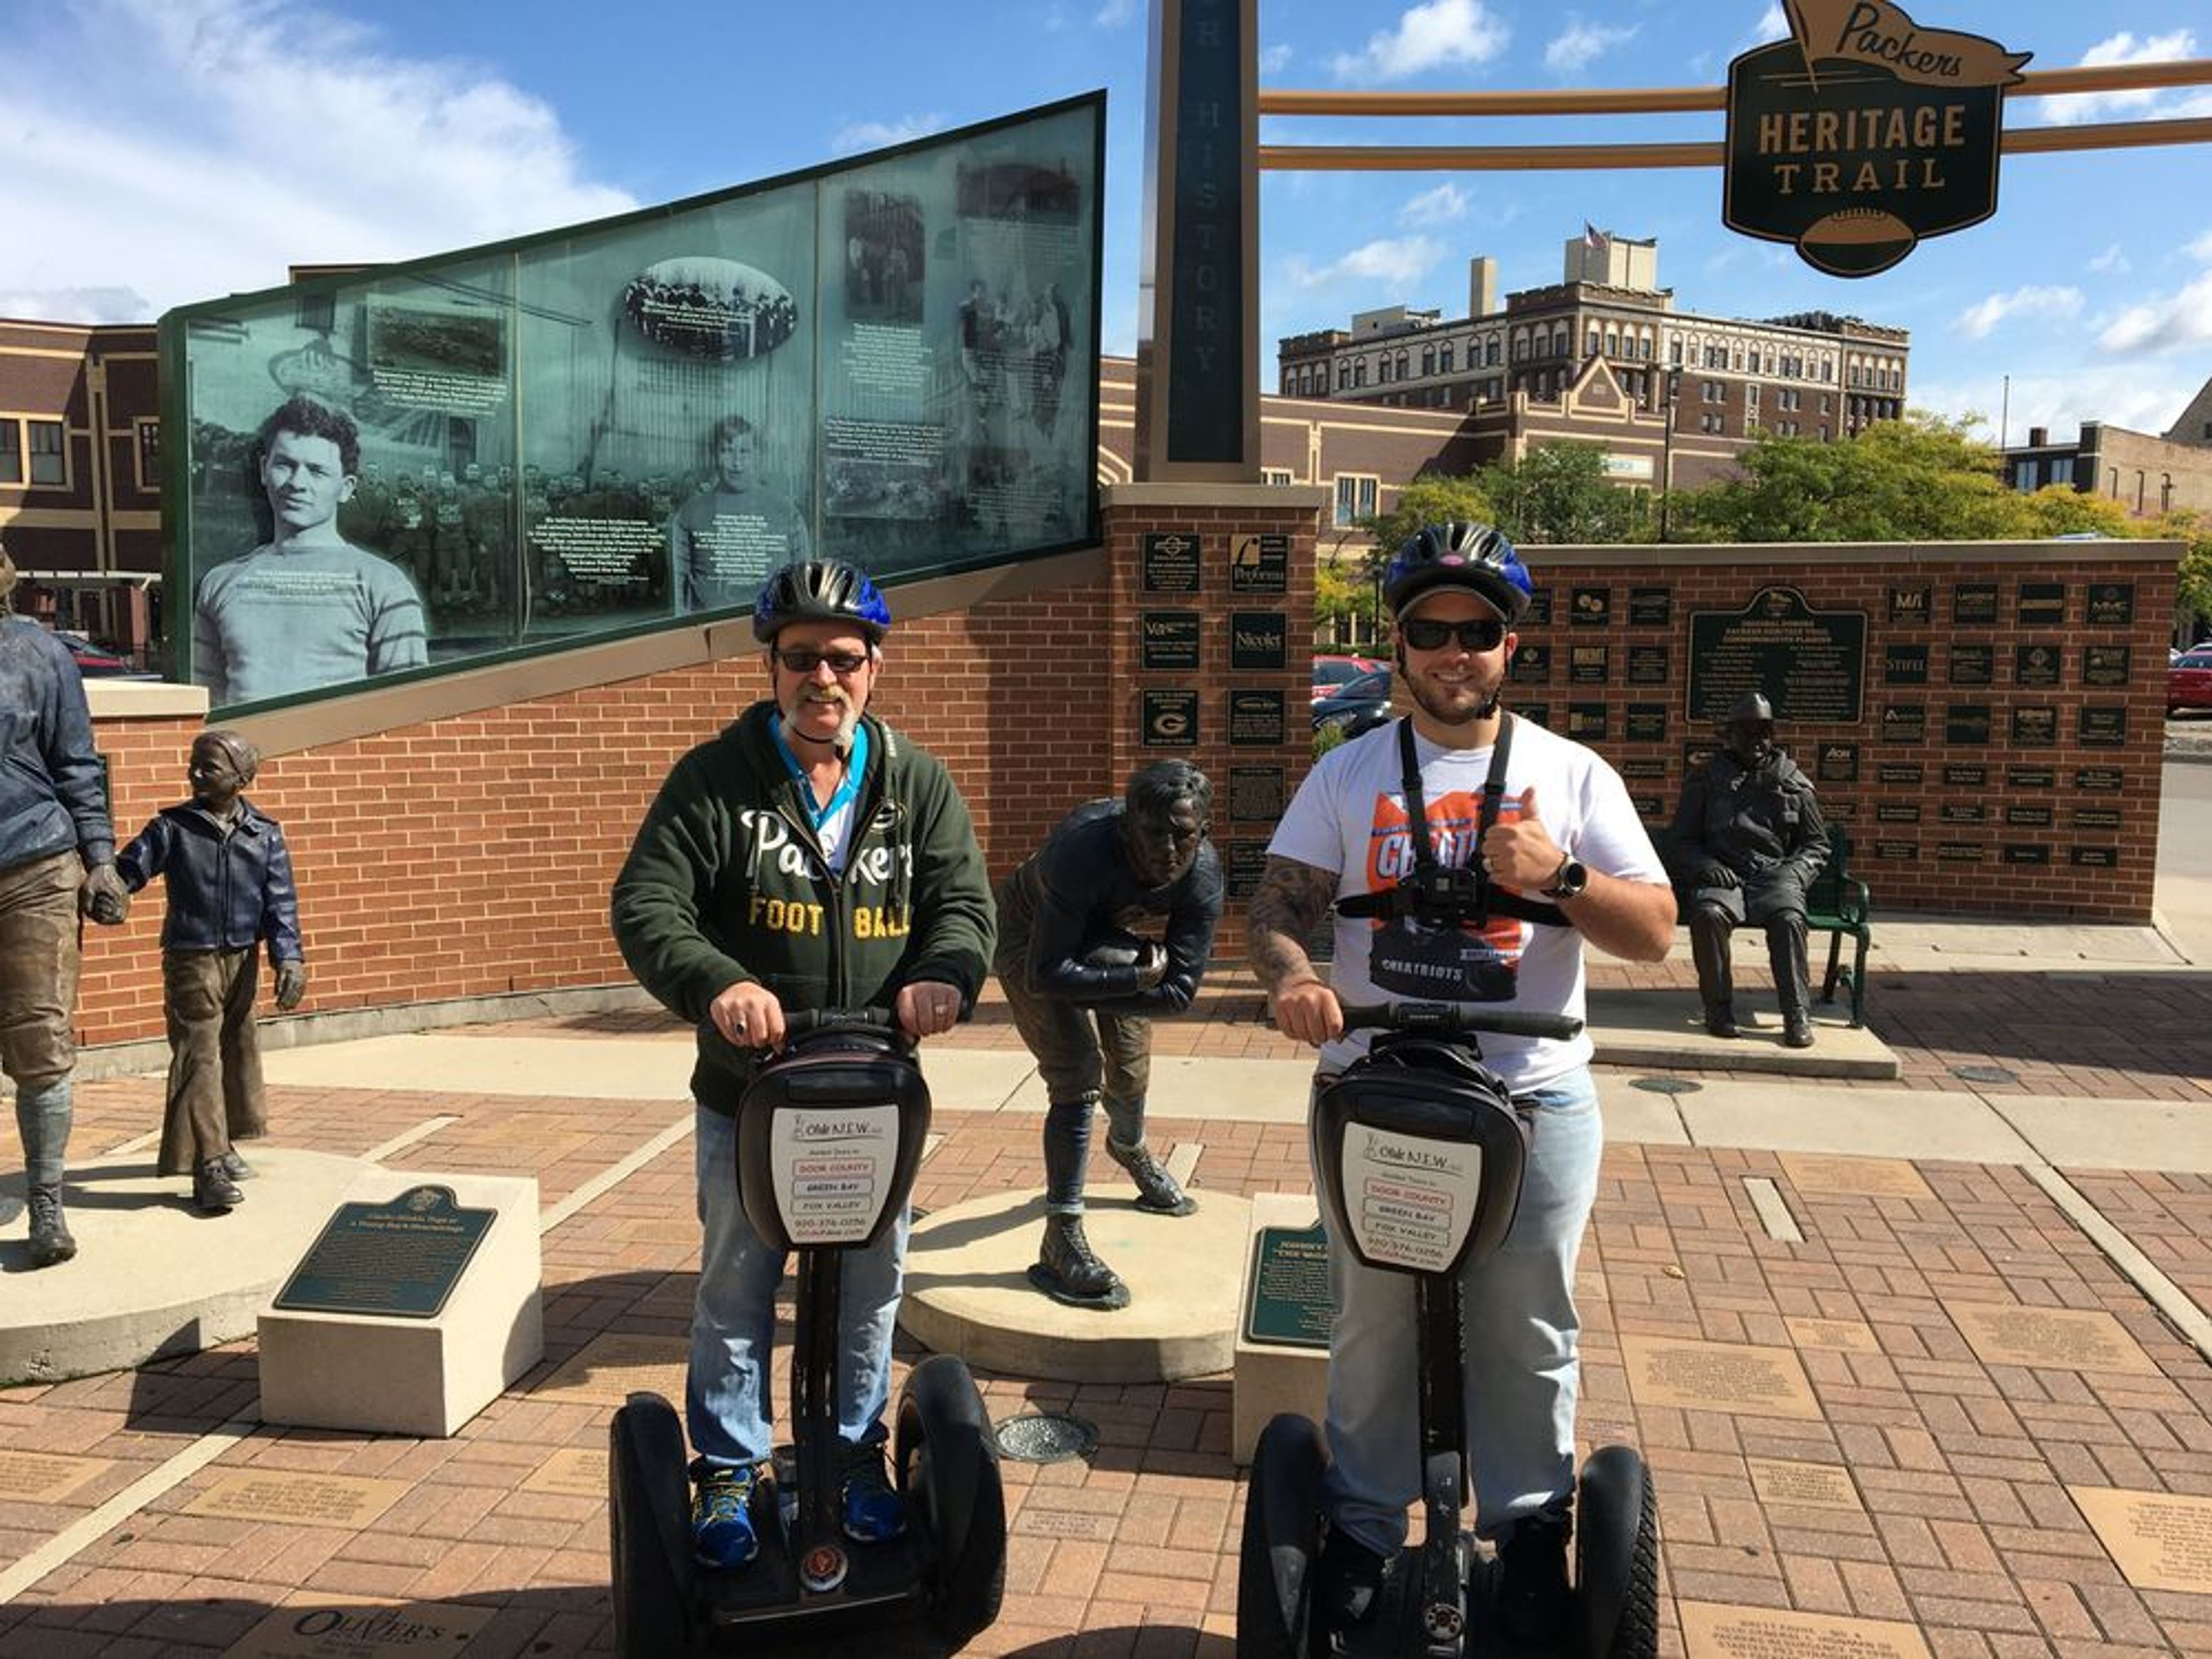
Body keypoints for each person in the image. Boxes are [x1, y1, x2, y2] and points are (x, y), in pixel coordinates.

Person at [1246, 521, 1675, 1645]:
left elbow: (1656, 935)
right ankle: (1365, 1532)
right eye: (1431, 631)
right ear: (1399, 646)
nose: (1454, 652)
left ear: (1507, 645)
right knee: (1373, 1324)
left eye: (1476, 631)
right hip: (1376, 1090)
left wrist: (1562, 874)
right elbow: (1283, 905)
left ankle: (1532, 1534)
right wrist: (1295, 980)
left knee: (1528, 1325)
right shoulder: (1346, 772)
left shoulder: (1571, 775)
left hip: (1531, 1097)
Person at [610, 557, 995, 1574]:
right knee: (738, 1286)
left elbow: (963, 903)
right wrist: (718, 984)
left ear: (873, 666)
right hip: (752, 1092)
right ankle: (731, 1467)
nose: (822, 679)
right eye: (800, 660)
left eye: (842, 659)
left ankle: (854, 1455)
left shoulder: (916, 783)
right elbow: (650, 906)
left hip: (875, 1090)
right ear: (771, 666)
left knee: (871, 1287)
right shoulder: (717, 781)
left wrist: (948, 974)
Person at [995, 761, 1224, 1308]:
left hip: (1106, 944)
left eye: (1184, 834)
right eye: (1153, 834)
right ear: (1126, 828)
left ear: (1203, 831)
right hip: (1033, 942)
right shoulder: (1083, 850)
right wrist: (1130, 978)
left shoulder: (1203, 874)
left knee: (1130, 1061)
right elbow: (1047, 974)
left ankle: (1129, 1145)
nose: (1169, 849)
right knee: (1077, 1075)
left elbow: (1178, 994)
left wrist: (1122, 980)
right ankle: (1062, 1234)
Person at [0, 541, 131, 1267]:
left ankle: (46, 1202)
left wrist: (102, 861)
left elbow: (76, 762)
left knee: (40, 1038)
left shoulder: (37, 651)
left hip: (34, 863)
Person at [115, 730, 307, 1213]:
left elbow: (280, 902)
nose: (195, 774)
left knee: (238, 1050)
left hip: (242, 959)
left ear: (241, 777)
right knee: (200, 1055)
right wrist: (108, 886)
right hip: (191, 957)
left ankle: (225, 1140)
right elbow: (131, 868)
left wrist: (289, 956)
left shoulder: (265, 833)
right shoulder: (172, 828)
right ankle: (210, 1166)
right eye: (193, 765)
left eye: (209, 767)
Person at [191, 395, 429, 706]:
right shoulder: (220, 583)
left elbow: (406, 711)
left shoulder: (385, 586)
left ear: (346, 488)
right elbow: (203, 709)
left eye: (317, 471)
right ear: (264, 470)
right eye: (285, 465)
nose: (297, 483)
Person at [1666, 692, 1830, 1047]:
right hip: (1724, 874)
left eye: (1764, 733)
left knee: (1788, 919)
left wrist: (1795, 874)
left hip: (1775, 875)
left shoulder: (1793, 782)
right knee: (1708, 914)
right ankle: (1719, 1009)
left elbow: (1817, 846)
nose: (1757, 740)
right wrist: (1706, 865)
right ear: (1729, 736)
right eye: (1747, 732)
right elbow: (1682, 841)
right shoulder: (1705, 780)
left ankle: (1797, 1013)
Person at [668, 415, 815, 615]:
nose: (737, 463)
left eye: (744, 452)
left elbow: (804, 586)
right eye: (727, 451)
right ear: (715, 455)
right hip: (709, 633)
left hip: (772, 629)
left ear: (757, 455)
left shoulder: (786, 511)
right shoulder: (690, 514)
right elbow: (681, 598)